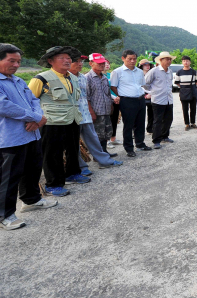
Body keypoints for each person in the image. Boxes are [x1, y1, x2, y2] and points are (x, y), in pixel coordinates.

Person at [0, 43, 57, 230]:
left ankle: (31, 200)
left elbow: (33, 100)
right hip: (10, 138)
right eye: (11, 61)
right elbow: (5, 107)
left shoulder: (18, 81)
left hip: (31, 135)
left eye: (18, 61)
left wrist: (38, 118)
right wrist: (36, 117)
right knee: (8, 178)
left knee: (32, 170)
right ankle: (4, 215)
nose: (16, 65)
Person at [28, 46, 89, 196]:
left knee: (73, 148)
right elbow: (29, 100)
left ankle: (72, 173)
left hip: (73, 119)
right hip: (51, 122)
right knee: (52, 153)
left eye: (69, 58)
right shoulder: (41, 78)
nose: (67, 60)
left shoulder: (73, 77)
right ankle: (53, 184)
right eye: (62, 58)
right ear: (50, 61)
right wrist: (34, 119)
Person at [70, 54, 123, 175]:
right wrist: (91, 111)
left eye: (103, 63)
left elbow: (106, 94)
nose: (102, 65)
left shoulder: (101, 78)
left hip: (97, 112)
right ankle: (82, 167)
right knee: (83, 141)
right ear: (91, 63)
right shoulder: (87, 77)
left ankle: (103, 159)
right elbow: (87, 97)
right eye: (99, 63)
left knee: (101, 136)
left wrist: (110, 105)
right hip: (86, 113)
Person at [110, 50, 152, 157]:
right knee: (128, 125)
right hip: (127, 101)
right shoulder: (117, 72)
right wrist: (122, 96)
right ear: (123, 58)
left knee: (140, 123)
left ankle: (140, 144)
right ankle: (129, 148)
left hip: (140, 99)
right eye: (130, 59)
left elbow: (141, 85)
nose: (132, 61)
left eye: (134, 59)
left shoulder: (139, 71)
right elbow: (113, 86)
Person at [145, 51, 175, 149]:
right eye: (167, 59)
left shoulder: (169, 71)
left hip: (168, 99)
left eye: (170, 59)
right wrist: (152, 92)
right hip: (158, 100)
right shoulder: (154, 71)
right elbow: (145, 83)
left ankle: (165, 136)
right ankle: (156, 140)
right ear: (161, 60)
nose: (169, 61)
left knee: (168, 119)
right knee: (157, 121)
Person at [175, 56, 197, 131]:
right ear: (182, 62)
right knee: (185, 109)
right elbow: (177, 82)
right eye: (184, 61)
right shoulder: (179, 72)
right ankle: (187, 124)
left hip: (193, 92)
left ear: (190, 62)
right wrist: (184, 87)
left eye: (187, 61)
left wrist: (191, 86)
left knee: (193, 108)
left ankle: (193, 123)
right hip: (183, 93)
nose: (186, 62)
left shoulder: (194, 72)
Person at [104, 60, 122, 149]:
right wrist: (114, 97)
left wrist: (118, 96)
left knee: (114, 120)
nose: (107, 65)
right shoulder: (100, 76)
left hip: (116, 100)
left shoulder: (110, 75)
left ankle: (113, 138)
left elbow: (115, 86)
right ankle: (106, 141)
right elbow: (105, 90)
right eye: (105, 63)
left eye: (108, 63)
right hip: (108, 101)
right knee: (107, 121)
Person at [137, 59, 154, 134]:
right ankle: (136, 131)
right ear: (141, 66)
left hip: (151, 95)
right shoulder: (138, 74)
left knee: (152, 113)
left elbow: (155, 85)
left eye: (148, 65)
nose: (147, 66)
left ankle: (150, 129)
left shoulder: (153, 73)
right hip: (140, 96)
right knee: (139, 115)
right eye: (145, 65)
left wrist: (151, 94)